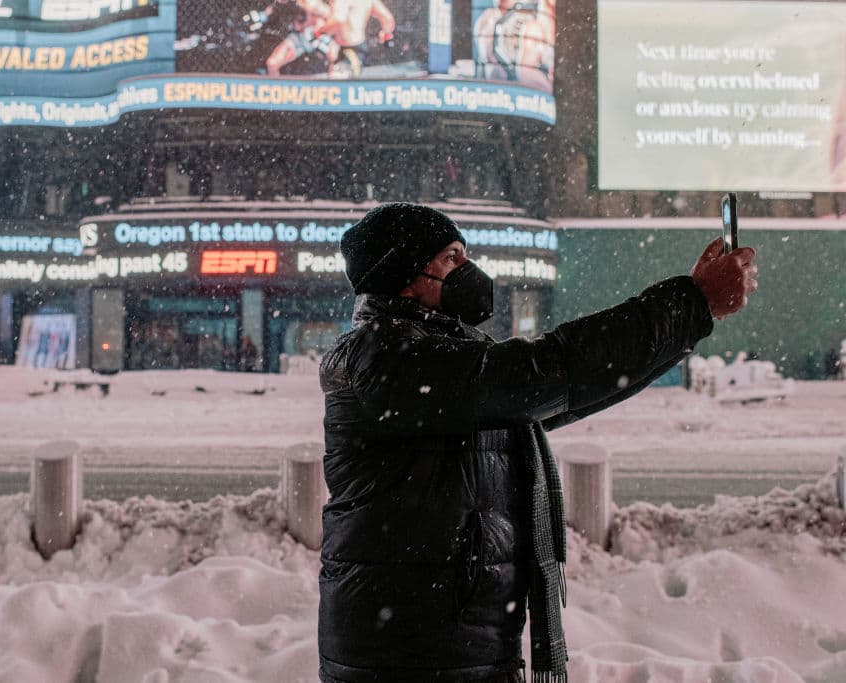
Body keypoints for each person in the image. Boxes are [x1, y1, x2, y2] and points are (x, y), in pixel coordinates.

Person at [317, 202, 758, 682]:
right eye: (451, 258)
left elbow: (565, 391)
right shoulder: (386, 354)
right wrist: (691, 302)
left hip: (444, 645)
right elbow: (551, 370)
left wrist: (686, 324)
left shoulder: (441, 354)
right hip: (409, 655)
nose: (468, 270)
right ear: (405, 273)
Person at [473, 0, 550, 89]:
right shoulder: (488, 19)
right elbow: (490, 64)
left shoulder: (541, 16)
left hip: (529, 91)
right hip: (499, 91)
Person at [317, 0, 395, 77]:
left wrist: (320, 32)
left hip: (348, 50)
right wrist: (386, 33)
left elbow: (339, 20)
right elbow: (387, 18)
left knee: (337, 84)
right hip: (358, 47)